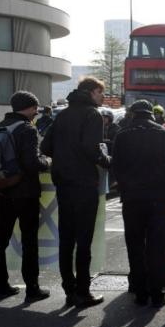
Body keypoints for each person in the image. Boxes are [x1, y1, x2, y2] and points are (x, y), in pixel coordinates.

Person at [112, 100, 165, 308]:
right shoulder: (161, 132)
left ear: (132, 114)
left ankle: (140, 291)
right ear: (151, 114)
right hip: (156, 198)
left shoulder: (122, 135)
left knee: (135, 245)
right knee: (157, 246)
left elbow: (115, 166)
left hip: (131, 199)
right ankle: (158, 292)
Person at [40, 77, 111, 309]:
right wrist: (105, 160)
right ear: (91, 92)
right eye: (101, 93)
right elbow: (91, 148)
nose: (103, 97)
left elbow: (45, 147)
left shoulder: (62, 114)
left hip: (63, 181)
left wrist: (63, 155)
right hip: (83, 182)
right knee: (84, 239)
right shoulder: (92, 115)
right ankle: (83, 291)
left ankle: (69, 289)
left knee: (67, 238)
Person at [0, 91, 52, 302]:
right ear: (30, 108)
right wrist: (48, 162)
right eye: (35, 108)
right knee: (29, 240)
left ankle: (1, 285)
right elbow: (32, 163)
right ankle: (32, 288)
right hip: (26, 194)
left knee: (0, 238)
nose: (36, 113)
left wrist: (1, 178)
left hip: (3, 192)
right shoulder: (27, 129)